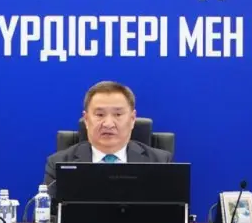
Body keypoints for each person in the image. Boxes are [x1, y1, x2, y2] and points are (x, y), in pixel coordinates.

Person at [43, 81, 172, 191]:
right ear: (86, 119)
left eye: (118, 115)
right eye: (100, 115)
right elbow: (48, 211)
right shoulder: (59, 163)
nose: (108, 124)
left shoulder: (160, 162)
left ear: (132, 119)